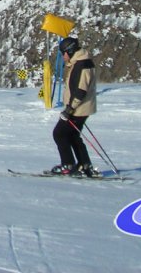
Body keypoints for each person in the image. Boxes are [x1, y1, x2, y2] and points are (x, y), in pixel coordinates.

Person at [50, 36, 100, 177]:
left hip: (79, 108)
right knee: (72, 136)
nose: (63, 56)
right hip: (81, 108)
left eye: (63, 53)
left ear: (70, 52)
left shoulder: (82, 65)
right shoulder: (80, 62)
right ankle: (84, 165)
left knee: (59, 133)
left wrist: (69, 109)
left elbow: (80, 91)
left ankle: (68, 164)